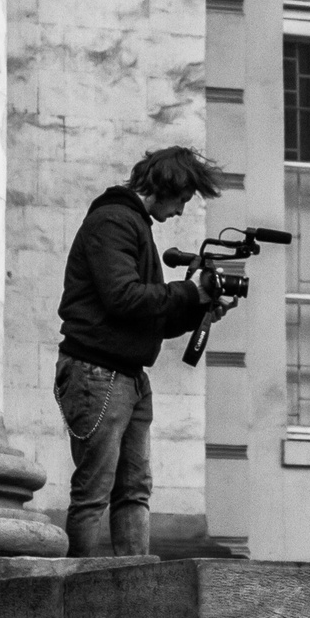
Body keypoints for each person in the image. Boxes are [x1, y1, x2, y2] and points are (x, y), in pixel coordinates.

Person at [54, 145, 228, 557]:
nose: (183, 211)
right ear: (167, 185)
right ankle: (76, 594)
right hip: (98, 373)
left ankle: (133, 590)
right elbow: (123, 298)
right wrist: (189, 291)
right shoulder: (113, 221)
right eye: (184, 199)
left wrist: (199, 307)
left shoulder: (132, 224)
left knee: (133, 491)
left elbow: (146, 317)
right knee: (94, 491)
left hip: (127, 375)